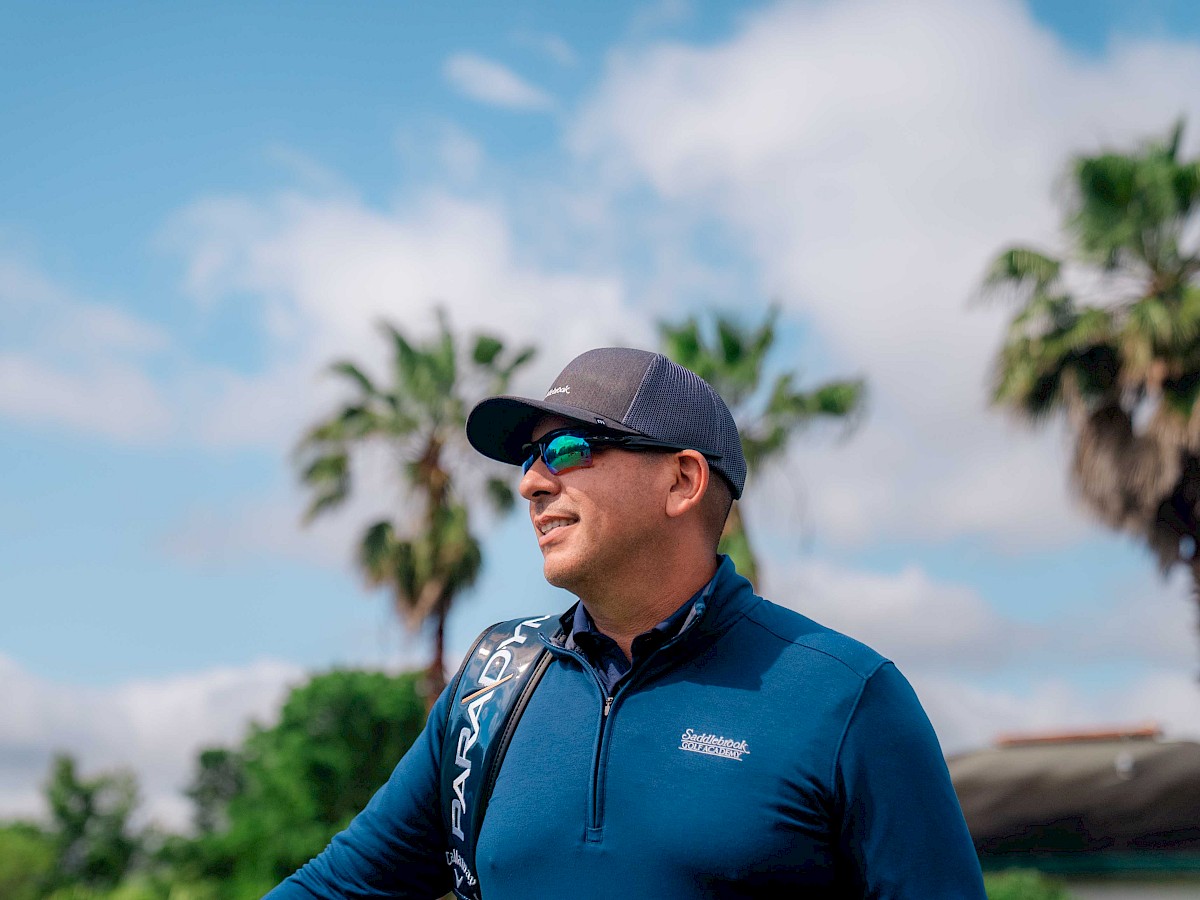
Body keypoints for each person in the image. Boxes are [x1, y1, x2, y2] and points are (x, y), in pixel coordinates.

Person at [265, 347, 986, 899]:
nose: (532, 482)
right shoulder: (495, 682)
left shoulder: (847, 699)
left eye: (569, 450)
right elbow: (341, 888)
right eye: (527, 458)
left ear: (682, 481)